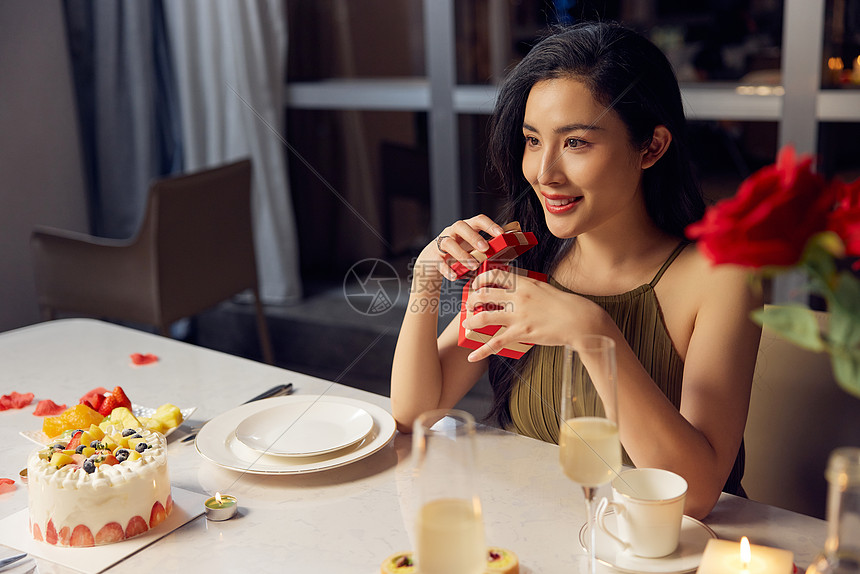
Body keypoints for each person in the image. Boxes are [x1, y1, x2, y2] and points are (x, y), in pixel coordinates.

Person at [390, 21, 761, 520]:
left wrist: (590, 331)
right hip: (535, 529)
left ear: (651, 147)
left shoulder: (720, 278)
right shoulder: (528, 256)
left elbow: (693, 496)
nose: (544, 174)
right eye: (533, 140)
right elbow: (415, 413)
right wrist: (427, 276)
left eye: (577, 143)